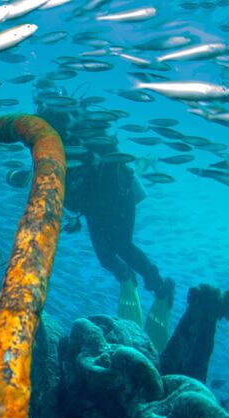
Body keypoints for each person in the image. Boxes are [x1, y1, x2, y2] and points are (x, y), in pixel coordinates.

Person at [35, 84, 175, 351]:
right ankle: (127, 279)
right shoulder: (54, 138)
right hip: (92, 206)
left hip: (119, 197)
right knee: (105, 257)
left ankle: (160, 287)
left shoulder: (82, 130)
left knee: (122, 244)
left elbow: (106, 166)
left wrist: (94, 204)